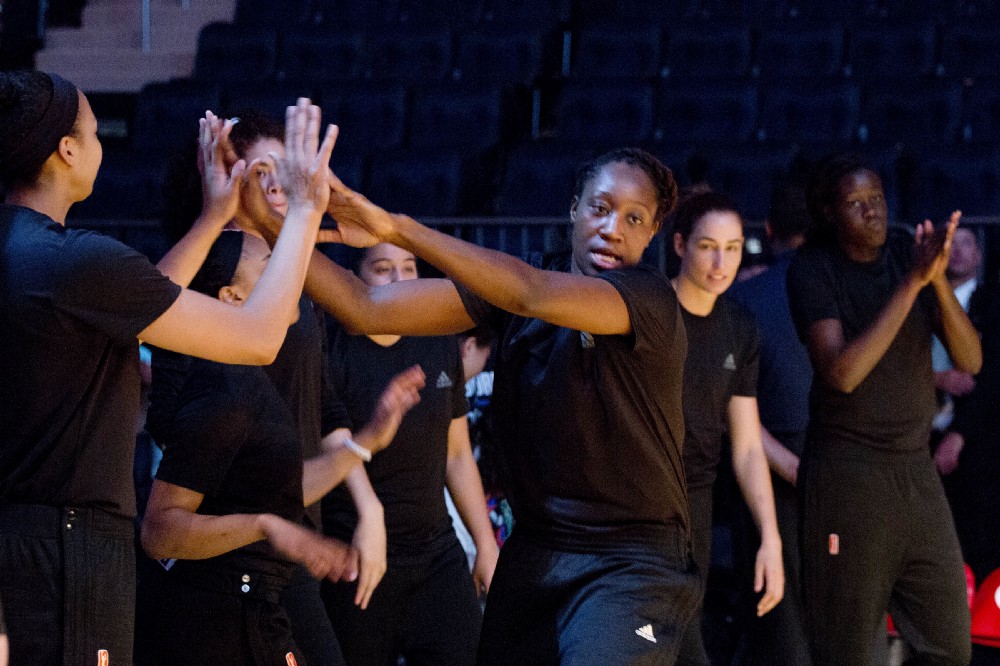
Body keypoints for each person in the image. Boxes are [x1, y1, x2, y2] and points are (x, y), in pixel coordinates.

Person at [240, 146, 701, 664]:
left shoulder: (648, 297)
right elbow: (362, 307)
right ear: (574, 208)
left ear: (653, 232)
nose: (613, 228)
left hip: (630, 560)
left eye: (633, 218)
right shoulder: (519, 291)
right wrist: (270, 223)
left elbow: (531, 294)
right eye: (600, 208)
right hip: (537, 550)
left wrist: (396, 228)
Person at [0, 70, 336, 664]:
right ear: (67, 150)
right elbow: (259, 337)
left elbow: (142, 295)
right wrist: (304, 214)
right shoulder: (72, 261)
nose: (104, 145)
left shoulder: (35, 256)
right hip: (66, 547)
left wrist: (212, 218)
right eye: (95, 132)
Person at [151, 110, 384, 666]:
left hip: (296, 522)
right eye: (262, 170)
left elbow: (323, 402)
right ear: (229, 177)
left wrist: (368, 505)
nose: (281, 181)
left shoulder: (294, 269)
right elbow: (172, 415)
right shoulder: (215, 268)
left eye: (289, 167)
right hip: (234, 538)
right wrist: (257, 507)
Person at [135, 230, 424, 664]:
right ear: (232, 297)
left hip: (251, 599)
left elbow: (280, 490)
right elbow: (159, 533)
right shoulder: (221, 393)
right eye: (270, 265)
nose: (289, 275)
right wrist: (267, 526)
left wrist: (365, 442)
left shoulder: (251, 381)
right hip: (214, 614)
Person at [787, 153, 981, 666]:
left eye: (877, 199)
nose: (872, 211)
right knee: (848, 649)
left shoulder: (904, 256)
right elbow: (843, 372)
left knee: (950, 643)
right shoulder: (813, 270)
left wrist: (936, 278)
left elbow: (971, 357)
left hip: (915, 467)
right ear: (830, 212)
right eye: (856, 203)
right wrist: (911, 284)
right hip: (849, 474)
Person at [319, 242, 497, 666]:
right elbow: (332, 441)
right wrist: (369, 516)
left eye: (409, 268)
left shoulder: (437, 340)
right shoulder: (329, 343)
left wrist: (485, 544)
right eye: (383, 269)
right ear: (355, 278)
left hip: (436, 550)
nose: (400, 281)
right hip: (359, 552)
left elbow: (456, 453)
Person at [668, 191, 784, 666]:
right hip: (637, 505)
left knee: (683, 641)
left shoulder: (738, 324)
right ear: (679, 245)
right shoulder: (649, 311)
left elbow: (748, 446)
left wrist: (770, 538)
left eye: (733, 247)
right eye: (707, 246)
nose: (721, 261)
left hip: (696, 505)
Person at [729, 181, 814, 666]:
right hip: (844, 471)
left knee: (779, 627)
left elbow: (736, 416)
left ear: (768, 231)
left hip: (765, 467)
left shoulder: (745, 298)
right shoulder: (850, 294)